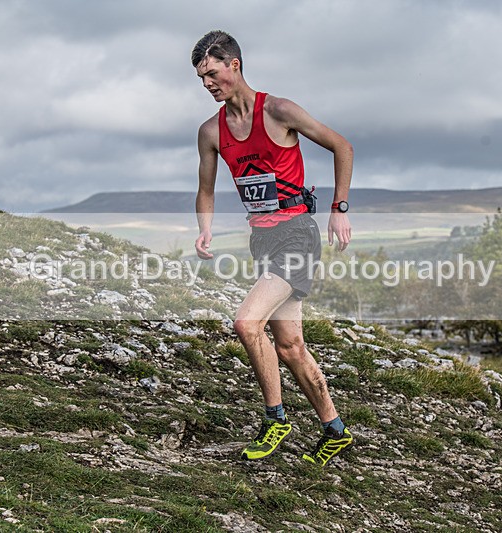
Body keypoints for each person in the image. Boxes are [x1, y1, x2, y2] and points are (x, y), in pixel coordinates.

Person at [191, 30, 354, 466]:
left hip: (298, 233)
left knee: (246, 323)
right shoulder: (211, 131)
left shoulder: (279, 110)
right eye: (201, 78)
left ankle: (275, 418)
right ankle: (334, 430)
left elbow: (342, 146)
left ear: (234, 65)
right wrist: (204, 229)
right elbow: (205, 189)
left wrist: (339, 209)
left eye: (211, 73)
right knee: (290, 347)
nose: (207, 84)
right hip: (262, 239)